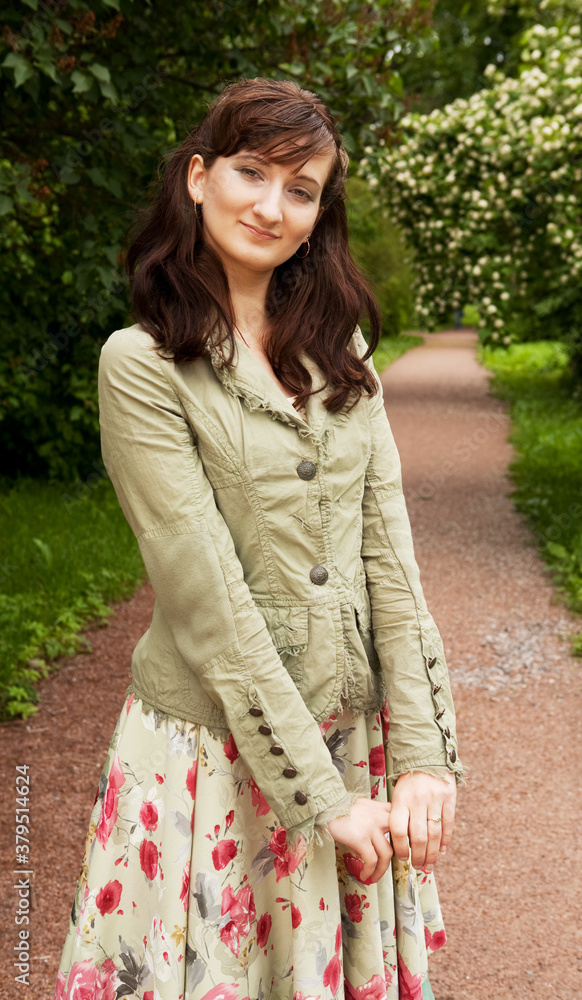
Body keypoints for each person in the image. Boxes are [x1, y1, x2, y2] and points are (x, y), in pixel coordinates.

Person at [54, 77, 464, 1000]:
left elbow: (390, 568)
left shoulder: (340, 356)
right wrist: (322, 796)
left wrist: (424, 760)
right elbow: (208, 601)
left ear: (319, 216)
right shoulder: (144, 363)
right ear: (198, 178)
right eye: (250, 172)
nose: (270, 207)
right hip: (216, 760)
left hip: (348, 738)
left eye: (301, 189)